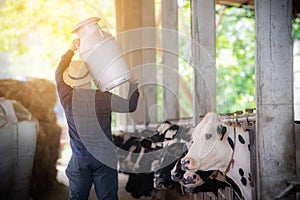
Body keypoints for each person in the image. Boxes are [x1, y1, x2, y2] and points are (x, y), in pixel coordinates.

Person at [55, 39, 139, 200]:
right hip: (105, 158)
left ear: (70, 79)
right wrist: (133, 83)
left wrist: (71, 50)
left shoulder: (67, 97)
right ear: (91, 77)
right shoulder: (104, 98)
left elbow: (58, 73)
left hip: (80, 159)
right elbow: (130, 106)